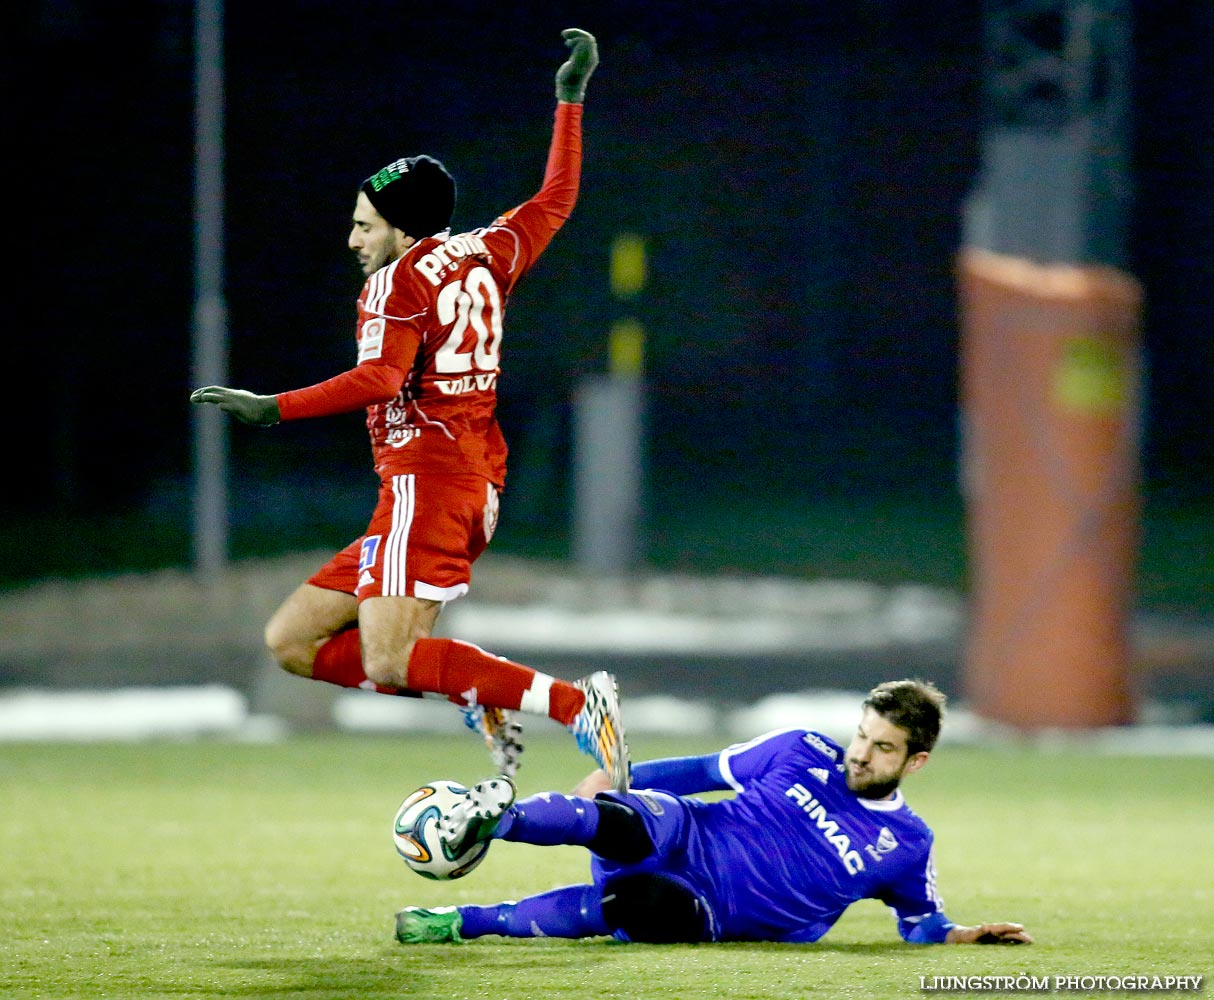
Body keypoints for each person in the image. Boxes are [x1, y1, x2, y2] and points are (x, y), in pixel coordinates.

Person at [189, 29, 630, 792]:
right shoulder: (488, 251)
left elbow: (380, 378)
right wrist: (569, 98)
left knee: (390, 657)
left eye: (366, 223)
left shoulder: (397, 284)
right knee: (292, 641)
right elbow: (556, 198)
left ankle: (574, 703)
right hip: (461, 482)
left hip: (427, 483)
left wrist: (272, 409)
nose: (354, 237)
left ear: (402, 227)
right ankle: (475, 688)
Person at [395, 679, 1033, 946]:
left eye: (882, 748)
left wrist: (959, 935)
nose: (859, 754)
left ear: (915, 762)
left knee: (634, 908)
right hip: (685, 829)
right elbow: (702, 772)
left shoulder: (908, 842)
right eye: (862, 734)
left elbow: (920, 923)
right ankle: (491, 820)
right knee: (621, 818)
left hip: (706, 909)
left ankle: (454, 921)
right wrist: (615, 777)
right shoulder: (801, 748)